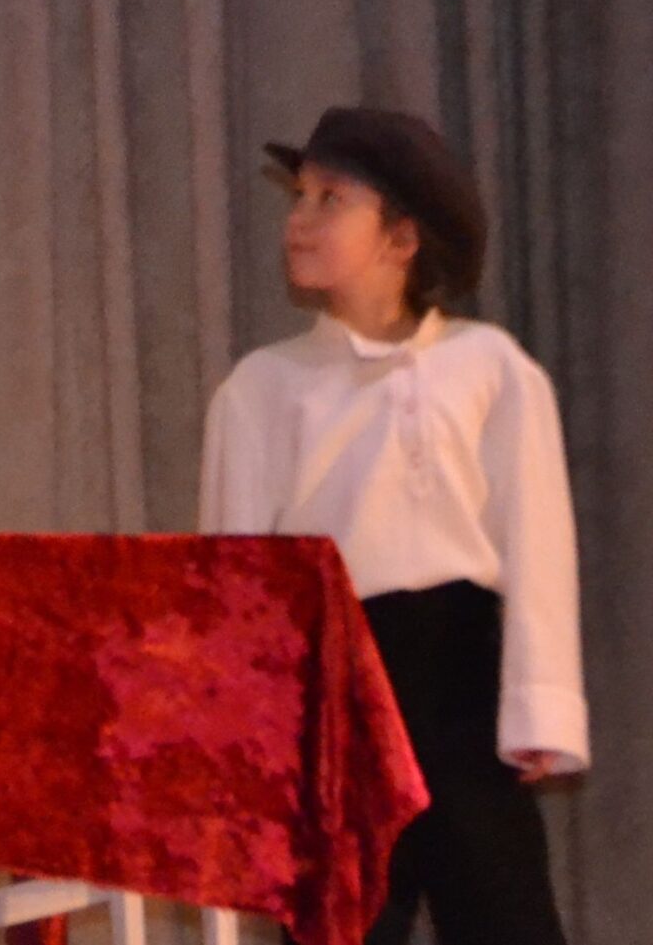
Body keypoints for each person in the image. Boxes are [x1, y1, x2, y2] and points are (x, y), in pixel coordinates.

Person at [199, 106, 585, 945]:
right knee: (342, 925)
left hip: (461, 694)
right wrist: (248, 739)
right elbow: (236, 588)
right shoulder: (261, 388)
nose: (299, 219)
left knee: (506, 914)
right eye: (299, 196)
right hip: (336, 701)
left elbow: (538, 547)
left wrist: (541, 707)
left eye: (330, 199)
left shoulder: (490, 368)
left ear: (402, 238)